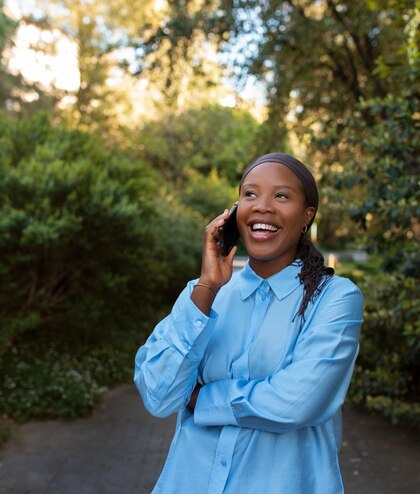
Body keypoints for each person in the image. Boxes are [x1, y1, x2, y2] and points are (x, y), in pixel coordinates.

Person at [134, 153, 363, 494]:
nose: (263, 207)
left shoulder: (335, 298)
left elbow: (297, 402)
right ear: (233, 212)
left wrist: (200, 399)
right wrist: (207, 286)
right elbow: (159, 396)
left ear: (307, 216)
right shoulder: (203, 295)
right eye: (250, 194)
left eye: (281, 195)